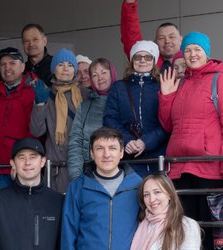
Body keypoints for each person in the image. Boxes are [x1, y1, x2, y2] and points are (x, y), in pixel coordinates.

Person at [158, 32, 223, 250]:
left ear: (207, 52)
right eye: (189, 50)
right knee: (186, 230)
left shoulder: (221, 80)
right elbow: (167, 125)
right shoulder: (182, 82)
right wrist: (166, 96)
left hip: (209, 167)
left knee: (212, 231)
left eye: (198, 50)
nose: (193, 54)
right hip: (180, 168)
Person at [103, 40, 166, 177]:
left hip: (159, 157)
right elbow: (110, 119)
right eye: (138, 57)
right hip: (129, 157)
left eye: (148, 57)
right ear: (132, 61)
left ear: (154, 60)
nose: (142, 60)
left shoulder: (163, 85)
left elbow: (169, 122)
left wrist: (146, 141)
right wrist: (127, 140)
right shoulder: (119, 87)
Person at [30, 48, 87, 192]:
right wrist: (39, 104)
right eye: (60, 64)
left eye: (70, 65)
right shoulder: (46, 95)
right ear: (53, 69)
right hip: (55, 167)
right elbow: (37, 131)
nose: (65, 69)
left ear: (75, 70)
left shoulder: (86, 95)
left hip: (83, 165)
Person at [0, 48, 37, 189]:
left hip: (23, 166)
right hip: (1, 164)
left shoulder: (33, 91)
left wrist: (23, 161)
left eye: (12, 63)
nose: (7, 68)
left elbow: (35, 132)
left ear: (22, 66)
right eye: (3, 64)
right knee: (5, 208)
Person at [68, 58, 116, 180]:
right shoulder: (85, 106)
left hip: (119, 171)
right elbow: (75, 141)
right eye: (95, 75)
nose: (100, 78)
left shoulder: (122, 100)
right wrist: (76, 176)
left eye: (104, 73)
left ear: (112, 73)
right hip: (90, 172)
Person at [120, 0, 181, 71]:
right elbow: (131, 35)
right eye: (161, 38)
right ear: (155, 43)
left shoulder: (191, 60)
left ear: (181, 39)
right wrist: (130, 4)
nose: (167, 41)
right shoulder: (147, 62)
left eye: (171, 36)